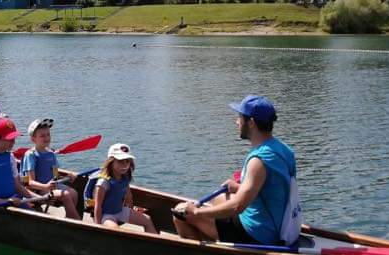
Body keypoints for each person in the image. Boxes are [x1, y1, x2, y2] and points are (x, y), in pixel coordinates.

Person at [172, 95, 297, 245]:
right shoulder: (284, 150)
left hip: (257, 234)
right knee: (218, 198)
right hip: (276, 226)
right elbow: (272, 188)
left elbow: (238, 206)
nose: (236, 121)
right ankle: (218, 241)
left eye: (240, 117)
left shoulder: (258, 161)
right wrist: (238, 187)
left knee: (180, 213)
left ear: (251, 123)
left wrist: (196, 212)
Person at [85, 144, 156, 233]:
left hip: (120, 211)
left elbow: (129, 197)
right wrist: (97, 226)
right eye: (120, 161)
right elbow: (98, 206)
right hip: (106, 215)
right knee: (118, 231)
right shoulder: (103, 182)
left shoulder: (125, 177)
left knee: (147, 220)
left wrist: (130, 211)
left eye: (127, 161)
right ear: (111, 162)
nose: (124, 165)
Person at [21, 118, 81, 220]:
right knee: (65, 195)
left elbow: (55, 175)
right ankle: (77, 221)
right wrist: (45, 186)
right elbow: (29, 182)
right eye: (42, 136)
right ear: (33, 139)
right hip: (39, 190)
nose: (46, 138)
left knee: (74, 193)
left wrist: (67, 176)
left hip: (51, 187)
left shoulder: (51, 154)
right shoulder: (31, 155)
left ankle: (69, 220)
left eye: (48, 134)